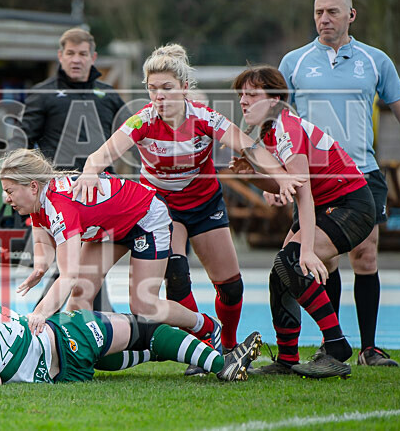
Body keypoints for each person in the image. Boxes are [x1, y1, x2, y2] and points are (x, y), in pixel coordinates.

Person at [71, 44, 301, 375]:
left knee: (231, 286)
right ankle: (202, 347)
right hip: (161, 208)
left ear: (184, 87)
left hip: (204, 205)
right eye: (152, 89)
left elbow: (249, 147)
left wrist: (282, 176)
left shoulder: (205, 118)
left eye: (167, 88)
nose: (159, 96)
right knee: (176, 276)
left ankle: (227, 344)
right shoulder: (142, 120)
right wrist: (90, 171)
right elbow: (101, 154)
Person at [278, 0, 400, 367]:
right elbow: (273, 118)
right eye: (318, 12)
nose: (324, 19)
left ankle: (369, 348)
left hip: (363, 174)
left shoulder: (375, 60)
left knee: (365, 256)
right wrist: (276, 173)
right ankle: (330, 344)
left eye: (332, 11)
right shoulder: (294, 62)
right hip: (314, 180)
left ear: (351, 15)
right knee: (321, 260)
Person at [0, 148, 225, 352]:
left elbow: (67, 275)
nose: (6, 198)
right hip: (110, 226)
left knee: (144, 306)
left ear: (33, 186)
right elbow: (43, 243)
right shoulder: (38, 201)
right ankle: (82, 354)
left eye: (10, 191)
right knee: (80, 293)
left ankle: (206, 325)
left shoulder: (59, 206)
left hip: (146, 219)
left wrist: (39, 313)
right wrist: (40, 267)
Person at [230, 65, 375, 378]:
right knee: (280, 274)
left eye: (252, 94)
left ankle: (336, 345)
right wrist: (252, 176)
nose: (243, 100)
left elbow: (304, 194)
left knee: (292, 261)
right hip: (329, 205)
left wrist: (307, 250)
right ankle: (287, 359)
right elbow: (288, 185)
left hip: (350, 204)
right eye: (241, 94)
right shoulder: (272, 131)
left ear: (275, 99)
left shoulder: (287, 128)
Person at [0, 264, 262, 385]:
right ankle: (222, 363)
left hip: (61, 374)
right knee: (148, 329)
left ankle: (207, 359)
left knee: (140, 348)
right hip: (65, 335)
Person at [18, 27, 129, 312]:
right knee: (74, 268)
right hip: (59, 197)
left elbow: (131, 138)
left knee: (85, 269)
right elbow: (20, 144)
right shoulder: (42, 94)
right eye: (70, 53)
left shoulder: (108, 95)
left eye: (82, 53)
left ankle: (74, 322)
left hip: (101, 196)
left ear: (93, 57)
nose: (76, 59)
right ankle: (50, 322)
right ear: (60, 55)